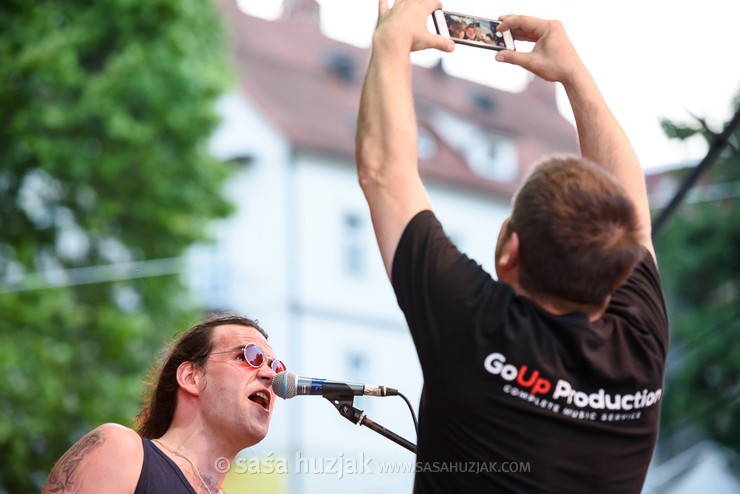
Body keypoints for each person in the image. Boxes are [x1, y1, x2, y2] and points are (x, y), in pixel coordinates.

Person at [355, 1, 668, 492]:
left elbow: (384, 174)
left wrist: (390, 39)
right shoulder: (640, 348)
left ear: (510, 252)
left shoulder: (477, 327)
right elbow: (633, 219)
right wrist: (576, 76)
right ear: (618, 273)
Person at [41, 313, 285, 494]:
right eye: (249, 356)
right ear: (191, 377)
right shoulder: (121, 451)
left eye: (276, 367)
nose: (270, 376)